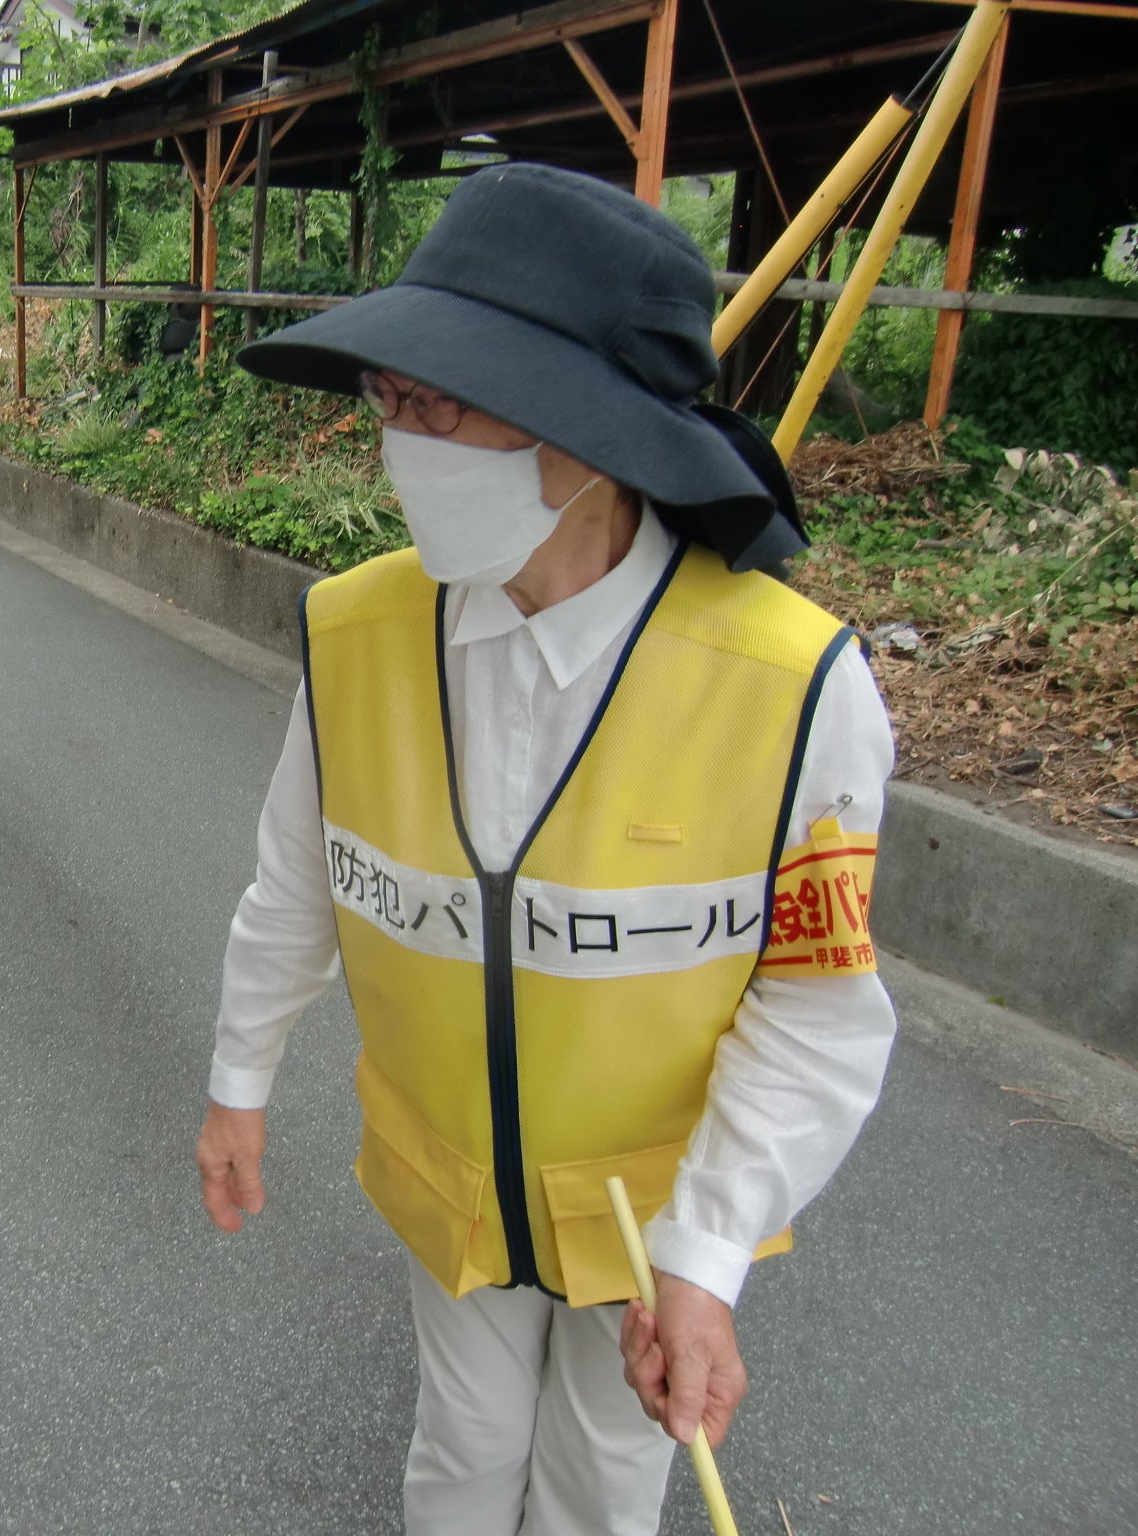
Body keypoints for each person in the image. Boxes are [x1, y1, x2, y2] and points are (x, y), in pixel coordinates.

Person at [194, 164, 897, 1535]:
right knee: (458, 1459)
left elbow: (817, 1014)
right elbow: (298, 884)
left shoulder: (794, 685)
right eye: (388, 400)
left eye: (440, 400)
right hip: (442, 1177)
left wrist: (703, 1256)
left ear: (591, 431)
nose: (401, 436)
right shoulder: (355, 634)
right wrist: (238, 1080)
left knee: (600, 1484)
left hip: (651, 1212)